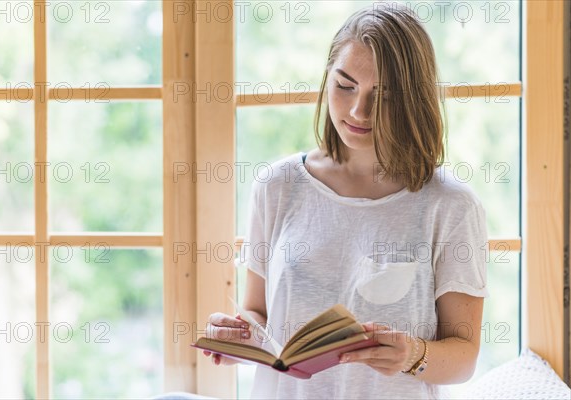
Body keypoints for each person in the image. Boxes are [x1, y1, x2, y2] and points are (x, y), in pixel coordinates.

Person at [204, 4, 488, 399]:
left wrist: (412, 354)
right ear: (327, 79)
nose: (359, 110)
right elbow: (258, 314)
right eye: (345, 85)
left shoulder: (451, 206)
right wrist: (238, 334)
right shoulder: (277, 186)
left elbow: (464, 358)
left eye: (383, 95)